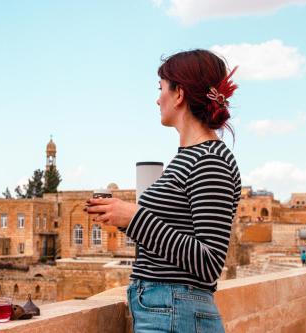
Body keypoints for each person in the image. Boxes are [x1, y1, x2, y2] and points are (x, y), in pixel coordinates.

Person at [85, 49, 241, 332]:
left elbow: (209, 262)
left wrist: (135, 218)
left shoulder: (210, 161)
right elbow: (169, 239)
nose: (158, 99)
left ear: (179, 94)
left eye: (161, 89)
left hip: (176, 312)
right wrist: (119, 216)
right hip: (168, 311)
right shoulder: (189, 158)